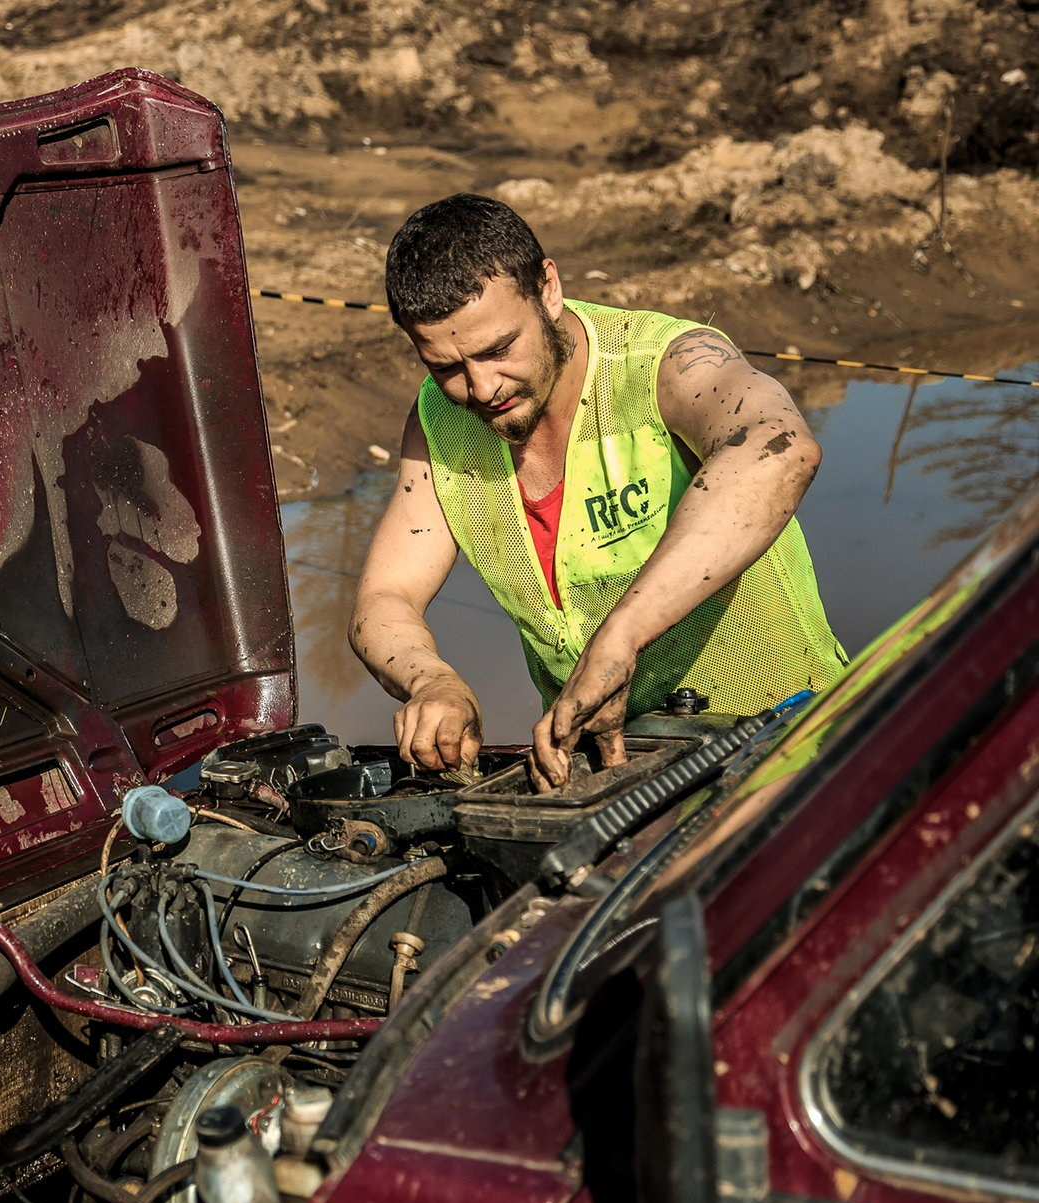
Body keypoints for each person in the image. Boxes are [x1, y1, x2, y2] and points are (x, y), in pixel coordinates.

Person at [351, 193, 847, 791]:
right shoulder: (439, 420)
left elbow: (780, 447)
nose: (482, 388)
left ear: (549, 290)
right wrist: (432, 682)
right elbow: (385, 596)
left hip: (793, 750)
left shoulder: (665, 363)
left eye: (499, 349)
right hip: (608, 785)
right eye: (446, 367)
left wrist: (622, 636)